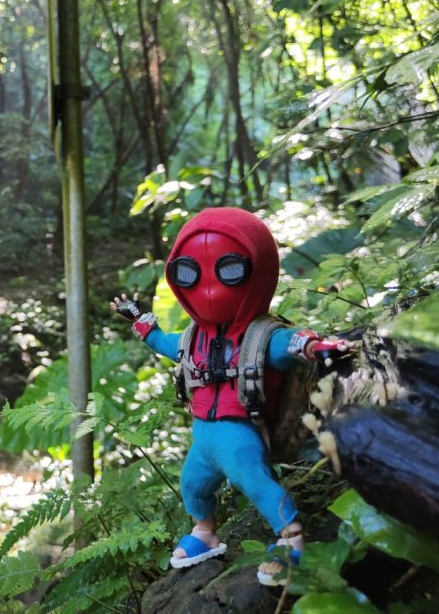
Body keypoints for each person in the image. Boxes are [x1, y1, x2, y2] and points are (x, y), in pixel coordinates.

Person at [112, 207, 350, 586]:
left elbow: (288, 344)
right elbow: (163, 342)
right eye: (189, 273)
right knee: (191, 483)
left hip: (241, 434)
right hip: (203, 436)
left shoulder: (259, 337)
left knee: (255, 481)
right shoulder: (193, 338)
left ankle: (290, 539)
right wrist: (139, 318)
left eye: (229, 271)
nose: (207, 288)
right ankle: (205, 532)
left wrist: (316, 347)